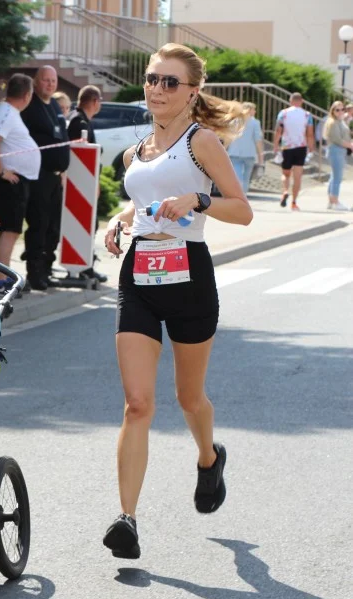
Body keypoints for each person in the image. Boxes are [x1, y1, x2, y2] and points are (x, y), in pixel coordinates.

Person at [102, 43, 252, 560]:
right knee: (137, 403)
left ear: (191, 92)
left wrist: (199, 198)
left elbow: (243, 210)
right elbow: (142, 204)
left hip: (190, 278)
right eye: (151, 79)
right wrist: (119, 221)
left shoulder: (201, 141)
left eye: (170, 82)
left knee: (190, 398)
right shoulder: (135, 151)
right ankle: (127, 519)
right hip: (139, 277)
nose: (157, 89)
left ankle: (209, 458)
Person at [0, 73, 39, 296]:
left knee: (12, 230)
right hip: (10, 182)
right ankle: (0, 281)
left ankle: (4, 276)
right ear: (27, 95)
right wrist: (1, 170)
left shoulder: (9, 112)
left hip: (17, 181)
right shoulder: (7, 112)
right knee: (9, 230)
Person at [21, 65, 70, 290]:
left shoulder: (54, 106)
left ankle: (47, 268)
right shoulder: (30, 106)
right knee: (39, 224)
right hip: (38, 176)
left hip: (55, 176)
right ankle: (34, 271)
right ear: (36, 81)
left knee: (53, 226)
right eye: (45, 80)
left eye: (53, 81)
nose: (50, 84)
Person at [68, 85, 108, 283]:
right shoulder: (79, 122)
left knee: (89, 226)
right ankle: (83, 267)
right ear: (94, 101)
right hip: (81, 185)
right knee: (85, 226)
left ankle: (85, 265)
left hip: (84, 184)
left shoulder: (82, 119)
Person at [272, 92, 314, 211]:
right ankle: (294, 202)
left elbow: (278, 131)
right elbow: (310, 134)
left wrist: (275, 145)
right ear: (301, 101)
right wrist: (311, 147)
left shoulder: (283, 114)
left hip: (287, 147)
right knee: (298, 176)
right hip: (301, 147)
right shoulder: (307, 115)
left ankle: (285, 191)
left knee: (286, 174)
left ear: (290, 101)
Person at [226, 101, 264, 195]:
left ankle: (238, 198)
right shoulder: (255, 123)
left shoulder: (234, 121)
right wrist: (260, 157)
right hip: (249, 154)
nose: (255, 111)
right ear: (250, 110)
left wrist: (223, 149)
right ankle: (243, 199)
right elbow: (258, 140)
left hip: (234, 153)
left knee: (237, 177)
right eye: (254, 109)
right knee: (246, 178)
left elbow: (228, 138)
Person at [323, 101, 353, 211]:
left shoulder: (340, 121)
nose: (340, 112)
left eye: (342, 109)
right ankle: (335, 202)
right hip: (335, 151)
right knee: (337, 177)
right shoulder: (333, 122)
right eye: (337, 110)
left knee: (334, 176)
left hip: (339, 151)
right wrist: (350, 145)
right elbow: (337, 140)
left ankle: (331, 201)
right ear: (333, 111)